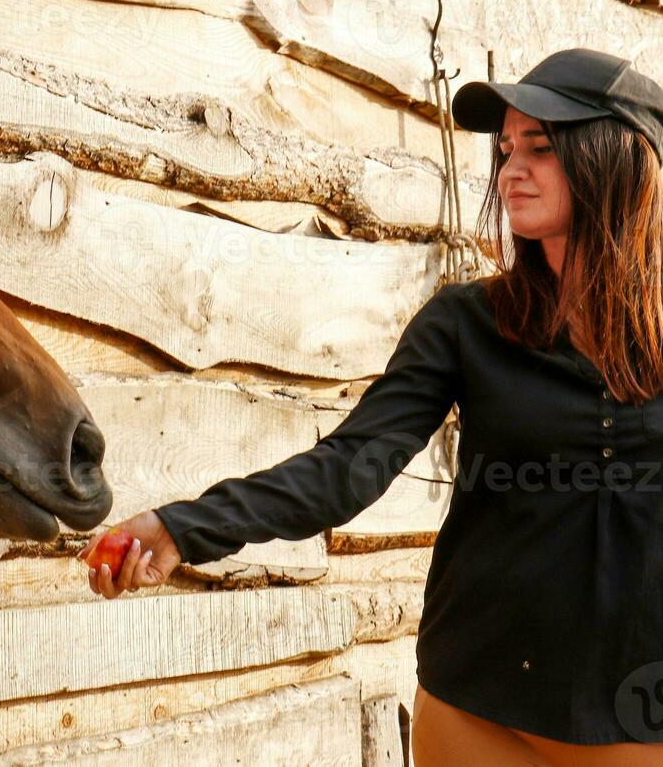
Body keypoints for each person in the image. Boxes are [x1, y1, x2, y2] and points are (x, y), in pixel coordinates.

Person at [79, 49, 663, 764]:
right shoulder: (467, 324)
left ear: (619, 157)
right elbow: (349, 466)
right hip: (476, 708)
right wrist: (182, 528)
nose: (510, 169)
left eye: (539, 148)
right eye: (506, 148)